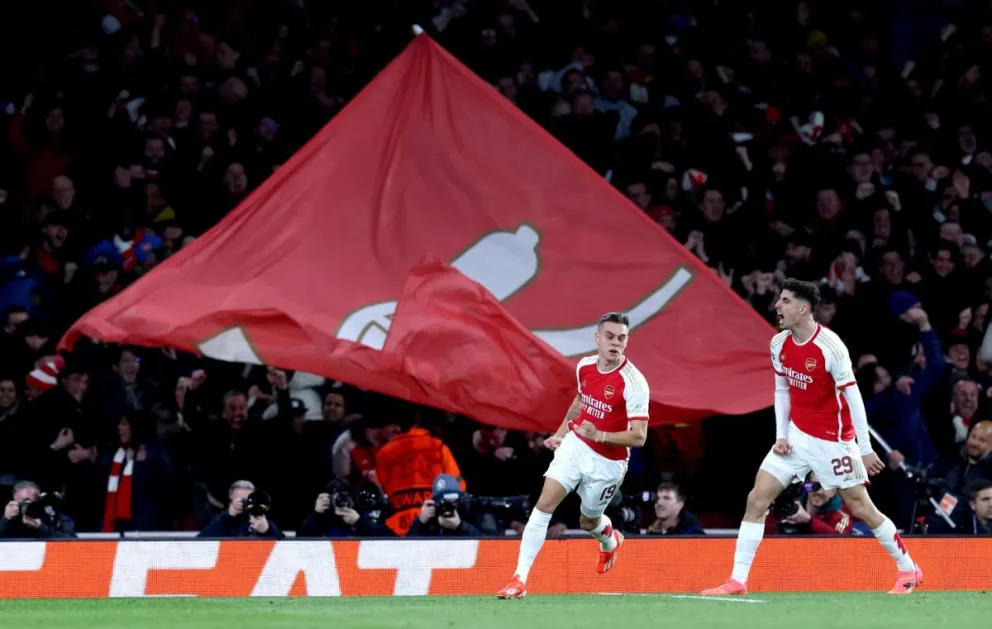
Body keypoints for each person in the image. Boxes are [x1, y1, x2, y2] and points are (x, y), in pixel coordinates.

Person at [701, 279, 922, 596]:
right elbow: (781, 390)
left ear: (803, 309)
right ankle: (737, 581)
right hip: (796, 436)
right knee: (757, 498)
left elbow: (854, 399)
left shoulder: (831, 348)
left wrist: (865, 448)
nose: (778, 306)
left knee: (860, 507)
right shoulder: (778, 344)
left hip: (833, 440)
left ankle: (907, 568)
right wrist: (781, 435)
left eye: (785, 300)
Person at [497, 312, 650, 599]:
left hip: (609, 462)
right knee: (543, 506)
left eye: (621, 338)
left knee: (588, 520)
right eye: (609, 337)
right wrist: (559, 434)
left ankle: (609, 540)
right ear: (597, 338)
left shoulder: (634, 382)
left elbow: (639, 436)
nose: (615, 344)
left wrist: (601, 435)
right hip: (576, 444)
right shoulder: (584, 366)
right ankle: (519, 579)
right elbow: (580, 401)